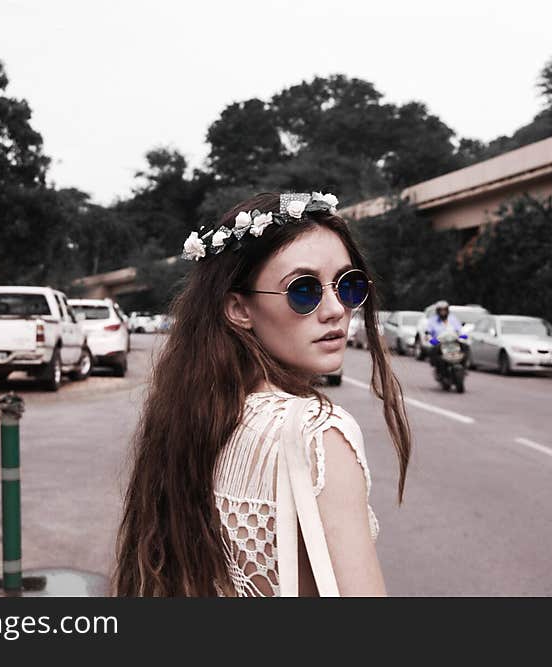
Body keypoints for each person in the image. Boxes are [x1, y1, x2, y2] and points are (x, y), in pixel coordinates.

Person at [114, 192, 411, 597]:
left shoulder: (194, 415)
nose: (335, 309)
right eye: (303, 291)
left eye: (349, 285)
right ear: (239, 308)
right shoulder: (318, 433)